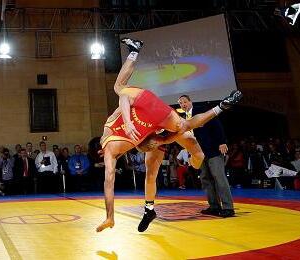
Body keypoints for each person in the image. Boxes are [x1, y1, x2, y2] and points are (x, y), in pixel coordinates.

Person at [96, 37, 242, 232]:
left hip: (156, 122)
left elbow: (109, 180)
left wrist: (110, 217)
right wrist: (129, 123)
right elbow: (123, 97)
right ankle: (134, 50)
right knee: (119, 88)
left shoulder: (120, 146)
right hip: (153, 109)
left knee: (174, 164)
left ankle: (151, 206)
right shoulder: (112, 131)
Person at [178, 94, 235, 217]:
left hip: (213, 149)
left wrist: (222, 141)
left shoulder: (201, 110)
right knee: (205, 179)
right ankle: (214, 206)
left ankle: (228, 207)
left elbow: (216, 123)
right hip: (199, 153)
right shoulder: (184, 119)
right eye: (181, 103)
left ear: (190, 102)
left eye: (184, 102)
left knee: (219, 177)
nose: (183, 105)